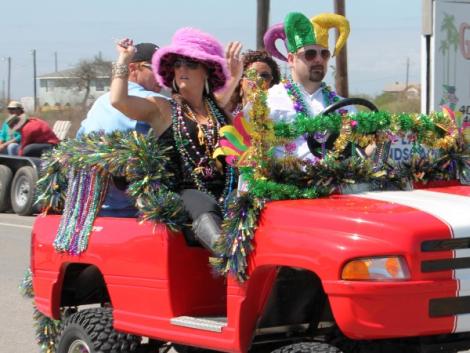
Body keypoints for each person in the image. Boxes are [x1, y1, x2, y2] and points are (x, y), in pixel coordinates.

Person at [110, 28, 239, 252]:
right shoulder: (163, 109)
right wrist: (123, 59)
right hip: (185, 194)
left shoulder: (219, 111)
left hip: (226, 191)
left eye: (190, 64)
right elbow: (118, 101)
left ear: (206, 72)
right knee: (204, 204)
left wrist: (235, 75)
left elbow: (223, 97)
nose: (182, 69)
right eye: (177, 64)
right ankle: (229, 256)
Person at [77, 42, 166, 217]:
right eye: (156, 69)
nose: (163, 77)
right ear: (132, 68)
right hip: (134, 212)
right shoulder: (155, 102)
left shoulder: (100, 101)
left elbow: (78, 141)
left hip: (89, 210)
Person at [264, 12, 354, 161]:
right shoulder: (268, 101)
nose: (319, 59)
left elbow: (359, 153)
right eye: (310, 54)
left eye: (324, 54)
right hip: (286, 182)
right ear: (291, 59)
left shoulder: (345, 108)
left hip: (336, 181)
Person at [223, 50, 281, 115]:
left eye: (264, 76)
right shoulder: (224, 118)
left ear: (271, 83)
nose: (258, 80)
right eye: (252, 75)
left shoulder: (279, 118)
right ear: (240, 81)